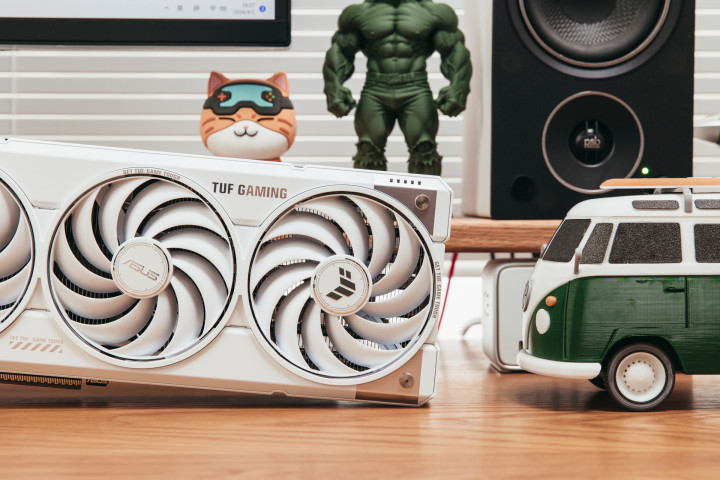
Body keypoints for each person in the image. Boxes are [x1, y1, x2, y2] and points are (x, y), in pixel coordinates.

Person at [323, 0, 472, 175]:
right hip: (375, 89)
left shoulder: (434, 13)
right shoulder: (360, 13)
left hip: (415, 88)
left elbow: (455, 49)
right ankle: (370, 195)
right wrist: (334, 87)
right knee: (367, 150)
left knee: (424, 149)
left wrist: (458, 87)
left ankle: (423, 195)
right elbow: (340, 50)